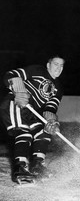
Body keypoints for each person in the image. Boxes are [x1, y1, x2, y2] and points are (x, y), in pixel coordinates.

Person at [0, 55, 65, 184]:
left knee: (43, 132)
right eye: (56, 64)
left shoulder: (58, 88)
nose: (59, 68)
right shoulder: (38, 70)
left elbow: (50, 108)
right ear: (48, 65)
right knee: (24, 132)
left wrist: (51, 121)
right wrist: (19, 90)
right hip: (16, 103)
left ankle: (37, 165)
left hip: (32, 111)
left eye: (61, 65)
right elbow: (11, 74)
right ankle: (20, 167)